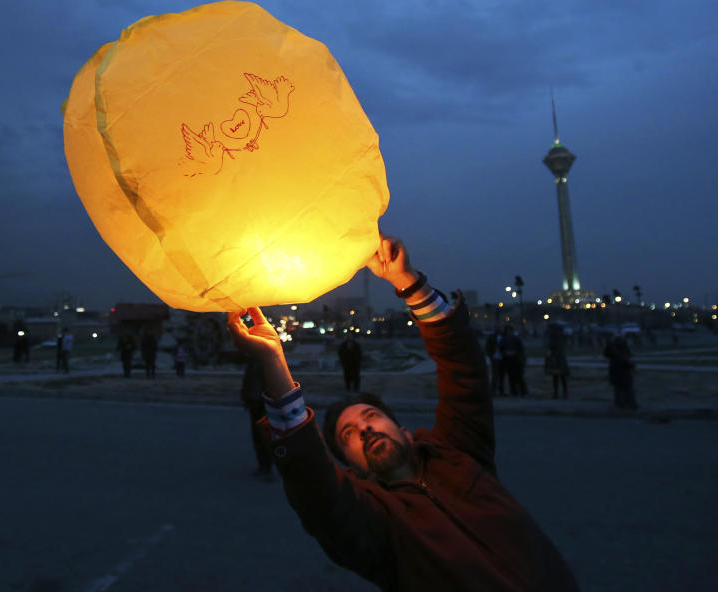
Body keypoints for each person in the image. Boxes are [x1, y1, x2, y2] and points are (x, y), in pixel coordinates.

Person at [227, 235, 578, 591]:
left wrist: (408, 283)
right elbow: (314, 486)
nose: (363, 429)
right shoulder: (377, 529)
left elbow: (463, 368)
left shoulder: (461, 455)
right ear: (352, 470)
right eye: (348, 435)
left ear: (404, 429)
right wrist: (272, 360)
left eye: (370, 417)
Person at [240, 357, 273, 480]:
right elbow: (247, 381)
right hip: (255, 401)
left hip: (262, 403)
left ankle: (267, 466)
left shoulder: (264, 361)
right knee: (257, 435)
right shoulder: (253, 361)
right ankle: (263, 465)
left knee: (263, 436)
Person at [604, 335, 637, 410]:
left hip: (620, 373)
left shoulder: (617, 350)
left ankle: (623, 404)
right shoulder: (619, 350)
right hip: (622, 373)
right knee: (624, 390)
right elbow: (624, 360)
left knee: (621, 390)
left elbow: (607, 354)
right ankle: (626, 404)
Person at [499, 325, 527, 397]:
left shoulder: (516, 339)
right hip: (508, 360)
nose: (509, 332)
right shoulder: (504, 339)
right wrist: (506, 353)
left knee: (519, 376)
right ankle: (514, 391)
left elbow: (521, 349)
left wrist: (515, 353)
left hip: (516, 360)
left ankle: (523, 391)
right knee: (511, 377)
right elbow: (501, 349)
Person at [544, 323, 570, 399]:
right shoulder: (560, 336)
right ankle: (562, 393)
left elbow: (552, 348)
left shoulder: (555, 337)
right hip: (559, 358)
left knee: (558, 376)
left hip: (557, 358)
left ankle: (558, 393)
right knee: (561, 376)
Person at [484, 326, 504, 396]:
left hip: (502, 358)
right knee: (495, 375)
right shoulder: (492, 337)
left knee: (501, 375)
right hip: (495, 357)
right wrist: (490, 355)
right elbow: (487, 347)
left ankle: (501, 390)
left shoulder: (503, 336)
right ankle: (493, 390)